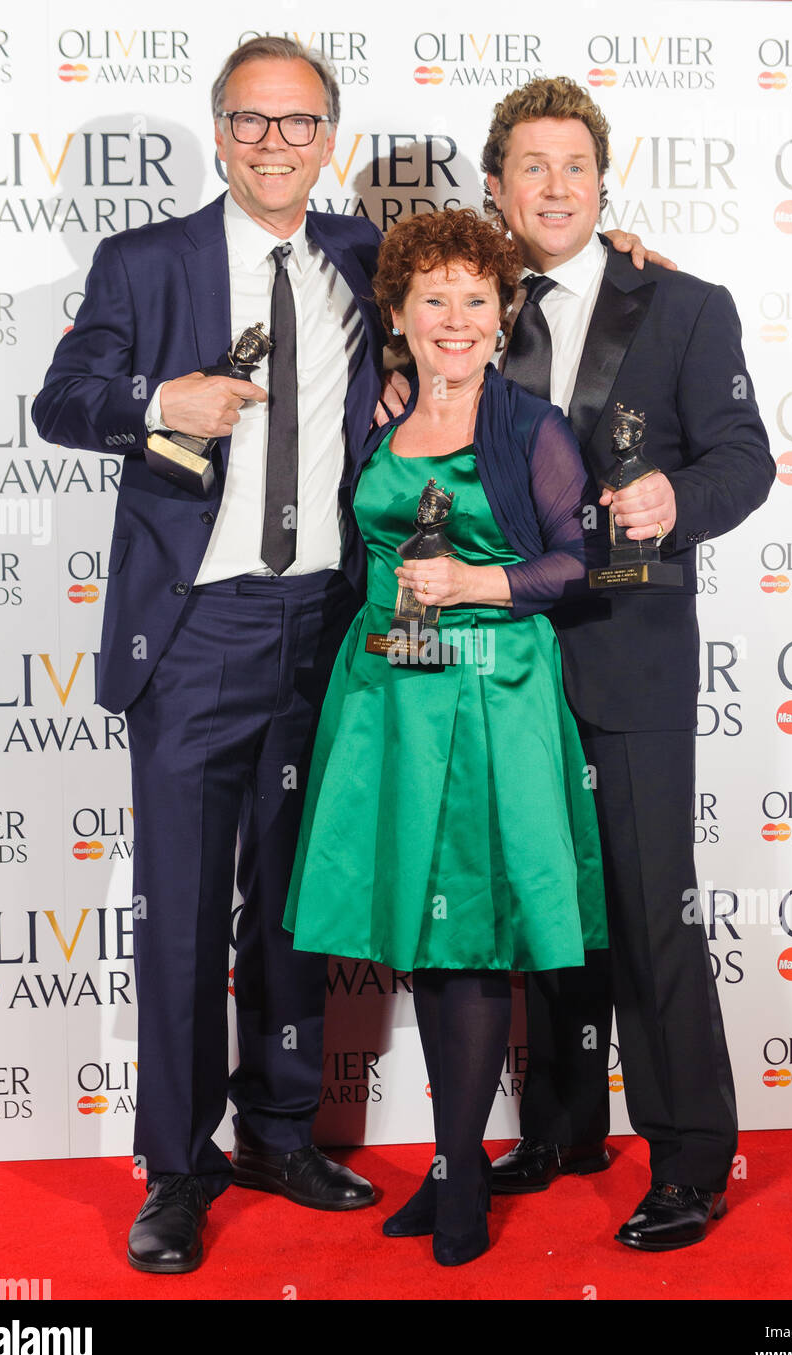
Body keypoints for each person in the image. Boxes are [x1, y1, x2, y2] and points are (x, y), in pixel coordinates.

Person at [32, 36, 387, 1274]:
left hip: (325, 627)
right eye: (251, 121)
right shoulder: (147, 261)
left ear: (329, 136)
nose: (274, 144)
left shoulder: (363, 257)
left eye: (298, 124)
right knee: (182, 911)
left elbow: (496, 283)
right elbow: (60, 400)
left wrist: (620, 255)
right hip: (195, 631)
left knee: (295, 902)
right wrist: (153, 405)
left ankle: (281, 1131)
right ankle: (179, 1167)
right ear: (218, 129)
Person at [479, 77, 776, 1251]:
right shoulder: (468, 305)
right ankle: (560, 1123)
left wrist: (674, 495)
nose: (555, 187)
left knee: (652, 906)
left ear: (605, 179)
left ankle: (692, 1156)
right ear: (497, 186)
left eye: (575, 166)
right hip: (502, 651)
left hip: (634, 645)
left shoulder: (688, 305)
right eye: (531, 168)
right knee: (544, 900)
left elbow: (744, 460)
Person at [283, 207, 609, 1266]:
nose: (456, 320)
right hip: (387, 698)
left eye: (478, 299)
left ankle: (462, 1171)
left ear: (505, 312)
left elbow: (580, 559)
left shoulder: (529, 430)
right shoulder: (379, 422)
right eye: (435, 300)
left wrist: (485, 581)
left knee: (467, 940)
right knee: (422, 936)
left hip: (487, 695)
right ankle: (447, 1158)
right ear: (399, 315)